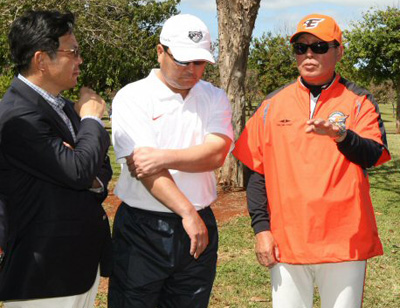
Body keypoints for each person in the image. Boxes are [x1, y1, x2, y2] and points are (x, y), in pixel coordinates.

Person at [233, 13, 391, 308]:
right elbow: (256, 172)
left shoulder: (359, 100)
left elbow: (372, 154)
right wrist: (262, 229)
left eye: (319, 47)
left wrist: (343, 136)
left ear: (339, 51)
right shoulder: (271, 105)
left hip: (344, 240)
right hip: (288, 241)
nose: (308, 54)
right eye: (300, 47)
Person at [109, 14, 233, 308]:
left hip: (200, 225)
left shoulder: (214, 96)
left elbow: (215, 154)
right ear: (160, 51)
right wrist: (188, 213)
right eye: (183, 61)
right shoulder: (133, 97)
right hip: (144, 227)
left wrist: (162, 157)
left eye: (200, 63)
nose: (192, 70)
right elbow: (144, 170)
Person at [0, 10, 112, 307]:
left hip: (75, 267)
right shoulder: (18, 114)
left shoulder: (62, 106)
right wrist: (91, 121)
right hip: (42, 274)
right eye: (73, 52)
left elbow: (99, 165)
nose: (80, 61)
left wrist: (85, 165)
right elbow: (78, 170)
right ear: (41, 60)